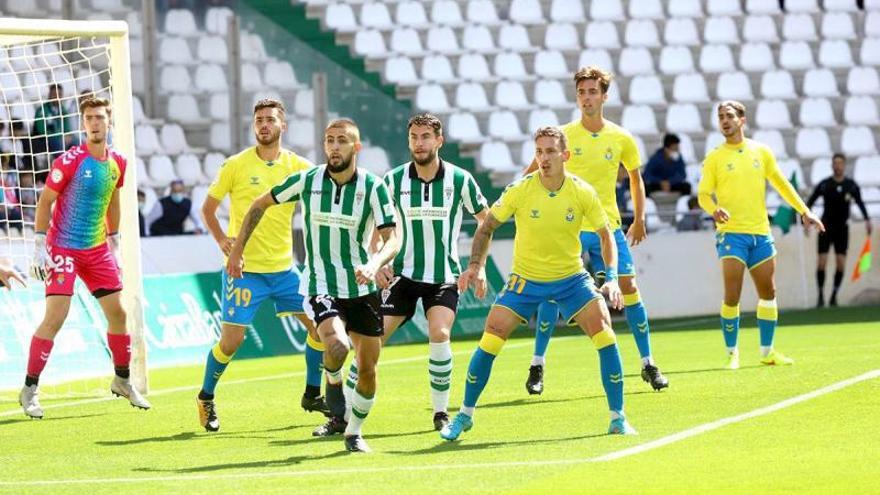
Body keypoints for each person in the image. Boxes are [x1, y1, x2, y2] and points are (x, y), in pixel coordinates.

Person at [440, 127, 636, 441]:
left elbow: (605, 235)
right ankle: (464, 416)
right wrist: (475, 266)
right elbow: (487, 225)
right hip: (525, 280)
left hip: (571, 279)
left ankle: (617, 417)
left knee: (604, 331)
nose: (543, 158)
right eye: (539, 152)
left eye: (550, 152)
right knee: (491, 337)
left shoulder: (582, 191)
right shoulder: (520, 190)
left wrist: (610, 278)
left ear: (565, 156)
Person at [228, 118, 399, 453]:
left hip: (362, 289)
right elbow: (259, 204)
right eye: (329, 140)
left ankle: (352, 429)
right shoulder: (308, 180)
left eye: (342, 141)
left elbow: (393, 237)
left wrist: (375, 263)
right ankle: (334, 387)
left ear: (356, 147)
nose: (334, 147)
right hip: (320, 283)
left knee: (367, 369)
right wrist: (237, 250)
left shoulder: (373, 187)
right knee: (336, 346)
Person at [523, 66, 668, 394]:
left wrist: (640, 218)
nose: (586, 98)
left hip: (608, 227)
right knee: (551, 293)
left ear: (604, 96)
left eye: (592, 92)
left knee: (629, 287)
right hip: (567, 230)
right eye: (581, 92)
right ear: (577, 97)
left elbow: (635, 177)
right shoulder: (562, 135)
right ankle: (537, 364)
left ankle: (648, 363)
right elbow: (532, 172)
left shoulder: (621, 137)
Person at [341, 113, 488, 432]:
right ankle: (345, 412)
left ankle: (440, 412)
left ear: (439, 141)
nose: (418, 143)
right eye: (413, 138)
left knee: (440, 334)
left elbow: (485, 221)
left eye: (425, 137)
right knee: (372, 341)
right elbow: (375, 225)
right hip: (403, 278)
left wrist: (478, 266)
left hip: (443, 277)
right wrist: (377, 261)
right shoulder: (393, 180)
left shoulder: (460, 180)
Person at [196, 98, 327, 433]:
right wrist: (223, 242)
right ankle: (206, 397)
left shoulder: (298, 166)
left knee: (319, 329)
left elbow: (325, 190)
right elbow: (208, 209)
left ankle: (313, 393)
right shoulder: (235, 165)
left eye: (270, 119)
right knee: (231, 343)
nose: (264, 125)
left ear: (283, 125)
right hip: (245, 270)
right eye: (259, 120)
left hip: (285, 270)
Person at [20, 96, 150, 419]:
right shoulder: (70, 160)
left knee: (118, 314)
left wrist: (115, 241)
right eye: (89, 118)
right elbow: (45, 201)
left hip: (96, 249)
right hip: (63, 247)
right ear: (83, 124)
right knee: (56, 316)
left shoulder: (118, 161)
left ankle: (122, 380)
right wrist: (39, 245)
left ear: (109, 122)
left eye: (99, 118)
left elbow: (114, 201)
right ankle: (29, 389)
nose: (94, 123)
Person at [698, 100, 825, 369]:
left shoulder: (761, 152)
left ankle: (767, 351)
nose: (724, 121)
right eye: (720, 116)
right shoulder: (715, 157)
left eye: (729, 116)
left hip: (761, 233)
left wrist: (804, 211)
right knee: (732, 294)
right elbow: (702, 194)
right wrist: (714, 209)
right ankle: (732, 353)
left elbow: (781, 183)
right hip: (731, 234)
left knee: (768, 292)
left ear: (742, 120)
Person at [806, 153, 872, 307]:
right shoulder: (825, 184)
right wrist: (807, 220)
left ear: (844, 165)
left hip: (842, 228)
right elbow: (810, 202)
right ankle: (821, 295)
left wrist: (867, 220)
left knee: (841, 263)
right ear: (832, 165)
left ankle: (834, 295)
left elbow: (861, 203)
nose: (838, 166)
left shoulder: (851, 185)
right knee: (822, 262)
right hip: (825, 226)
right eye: (835, 163)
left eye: (840, 163)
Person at [32, 84, 74, 163]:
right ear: (49, 95)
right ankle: (63, 167)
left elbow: (67, 128)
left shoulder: (63, 110)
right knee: (57, 143)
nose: (57, 97)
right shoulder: (42, 110)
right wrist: (60, 136)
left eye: (59, 94)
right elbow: (42, 131)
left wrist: (68, 135)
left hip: (59, 139)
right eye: (54, 94)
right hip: (43, 141)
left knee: (75, 142)